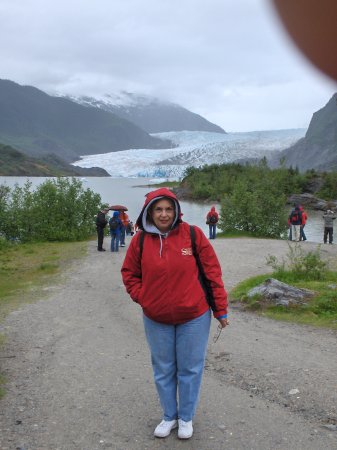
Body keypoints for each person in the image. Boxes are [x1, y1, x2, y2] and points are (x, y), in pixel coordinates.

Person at [121, 188, 228, 440]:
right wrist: (144, 297)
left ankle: (186, 417)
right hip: (156, 318)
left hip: (194, 315)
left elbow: (213, 273)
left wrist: (220, 309)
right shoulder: (140, 240)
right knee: (163, 369)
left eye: (169, 209)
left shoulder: (192, 235)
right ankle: (169, 416)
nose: (164, 214)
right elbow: (129, 274)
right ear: (149, 211)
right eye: (158, 209)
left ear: (176, 211)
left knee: (190, 369)